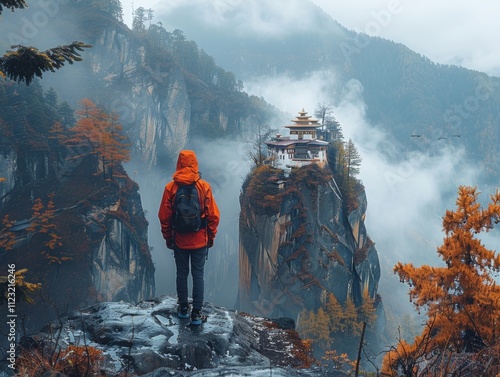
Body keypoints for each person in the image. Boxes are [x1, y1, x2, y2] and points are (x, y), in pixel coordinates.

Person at [158, 150, 220, 325]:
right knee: (198, 274)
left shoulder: (170, 188)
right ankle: (197, 314)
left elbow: (164, 216)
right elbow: (214, 216)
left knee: (182, 273)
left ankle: (183, 309)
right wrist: (211, 237)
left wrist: (168, 238)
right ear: (195, 164)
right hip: (200, 239)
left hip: (179, 239)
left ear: (179, 164)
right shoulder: (204, 187)